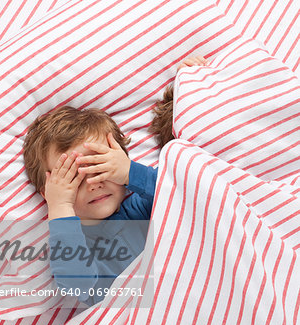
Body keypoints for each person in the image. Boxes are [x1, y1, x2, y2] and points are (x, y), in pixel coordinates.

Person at [23, 55, 208, 306]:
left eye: (101, 166)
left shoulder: (142, 205)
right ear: (49, 192)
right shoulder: (77, 242)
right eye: (74, 177)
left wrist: (190, 89)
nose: (93, 183)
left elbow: (188, 191)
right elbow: (77, 285)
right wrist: (60, 208)